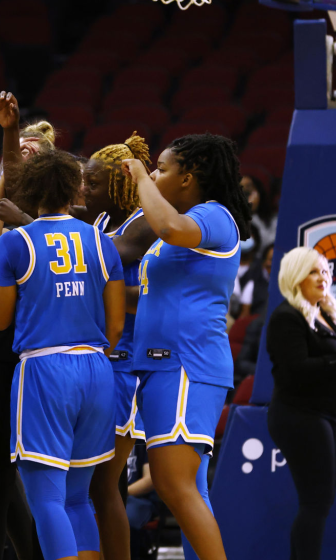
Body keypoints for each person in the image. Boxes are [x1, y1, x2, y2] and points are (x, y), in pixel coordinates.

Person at [0, 145, 125, 560]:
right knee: (79, 498)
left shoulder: (16, 243)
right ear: (74, 189)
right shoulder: (101, 242)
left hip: (45, 368)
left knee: (46, 498)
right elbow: (116, 325)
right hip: (97, 368)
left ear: (30, 189)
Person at [122, 133, 253, 560]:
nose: (156, 173)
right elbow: (148, 300)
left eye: (163, 168)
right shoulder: (179, 233)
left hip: (186, 364)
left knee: (175, 485)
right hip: (161, 366)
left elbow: (168, 225)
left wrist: (140, 177)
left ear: (189, 177)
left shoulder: (214, 216)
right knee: (186, 489)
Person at [0, 91, 54, 560]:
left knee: (20, 470)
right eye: (15, 152)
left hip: (34, 348)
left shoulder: (63, 220)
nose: (21, 155)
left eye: (33, 151)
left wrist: (9, 135)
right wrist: (8, 135)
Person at [76, 133, 157, 560]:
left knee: (102, 485)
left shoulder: (143, 224)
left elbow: (148, 301)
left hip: (125, 365)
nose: (84, 191)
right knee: (93, 484)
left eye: (92, 184)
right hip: (99, 362)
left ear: (120, 185)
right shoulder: (101, 222)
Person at [266, 246, 336, 560]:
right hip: (300, 415)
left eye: (325, 270)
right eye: (313, 271)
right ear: (295, 277)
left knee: (319, 502)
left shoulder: (327, 314)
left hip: (324, 413)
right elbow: (295, 370)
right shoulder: (286, 317)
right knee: (316, 503)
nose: (323, 277)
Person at [241, 174, 277, 253]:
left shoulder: (273, 220)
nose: (245, 193)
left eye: (249, 187)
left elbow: (267, 245)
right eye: (241, 188)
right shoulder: (228, 217)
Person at [239, 243, 273, 318]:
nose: (272, 264)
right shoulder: (252, 283)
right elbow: (244, 317)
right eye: (271, 260)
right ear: (264, 261)